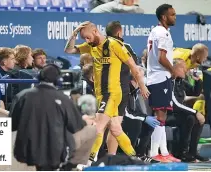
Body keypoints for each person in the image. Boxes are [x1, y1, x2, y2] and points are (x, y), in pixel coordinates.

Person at [64, 21, 150, 164]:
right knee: (116, 129)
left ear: (96, 31)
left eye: (88, 37)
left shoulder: (114, 44)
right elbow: (69, 50)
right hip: (101, 94)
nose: (86, 41)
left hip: (111, 93)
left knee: (98, 126)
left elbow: (134, 67)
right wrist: (73, 34)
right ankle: (136, 161)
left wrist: (142, 85)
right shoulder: (91, 46)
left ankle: (86, 161)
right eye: (84, 38)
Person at [10, 64, 96, 171]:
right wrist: (85, 120)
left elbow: (12, 125)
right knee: (92, 129)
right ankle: (72, 166)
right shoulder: (63, 99)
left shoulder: (22, 96)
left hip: (26, 149)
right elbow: (75, 126)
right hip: (56, 150)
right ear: (58, 80)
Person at [146, 4, 182, 162]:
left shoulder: (157, 31)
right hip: (160, 78)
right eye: (172, 14)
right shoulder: (162, 33)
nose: (175, 17)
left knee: (162, 116)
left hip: (158, 77)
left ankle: (164, 153)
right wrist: (173, 70)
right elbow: (161, 58)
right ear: (163, 17)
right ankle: (154, 154)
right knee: (160, 115)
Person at [104, 20, 138, 155]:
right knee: (114, 126)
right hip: (120, 90)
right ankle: (109, 158)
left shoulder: (99, 46)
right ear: (119, 32)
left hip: (104, 90)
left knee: (110, 125)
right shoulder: (125, 46)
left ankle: (108, 158)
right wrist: (135, 85)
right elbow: (135, 68)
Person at [166, 59, 208, 162]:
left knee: (196, 118)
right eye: (182, 67)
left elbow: (195, 92)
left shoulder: (180, 81)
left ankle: (192, 152)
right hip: (167, 115)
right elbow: (175, 105)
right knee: (191, 118)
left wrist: (197, 80)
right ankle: (182, 153)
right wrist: (195, 112)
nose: (186, 70)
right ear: (174, 68)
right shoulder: (168, 81)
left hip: (179, 114)